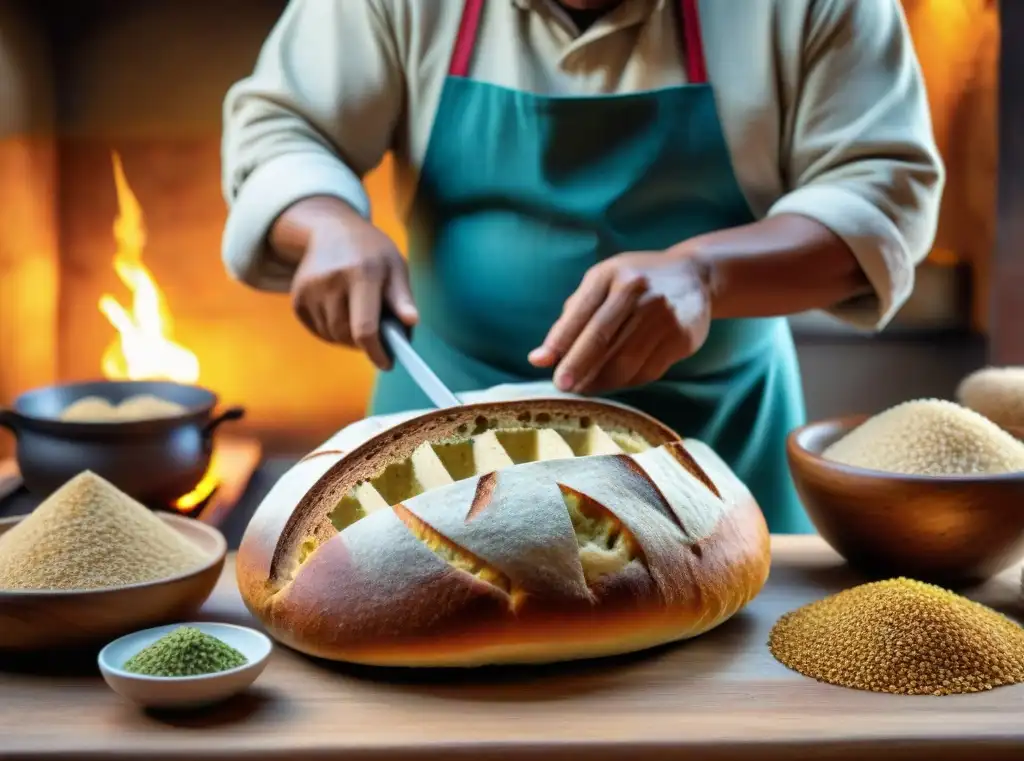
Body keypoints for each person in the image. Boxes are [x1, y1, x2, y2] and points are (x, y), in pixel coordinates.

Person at [220, 0, 944, 533]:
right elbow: (283, 125)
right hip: (436, 430)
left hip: (713, 442)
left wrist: (705, 274)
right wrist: (325, 220)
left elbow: (880, 194)